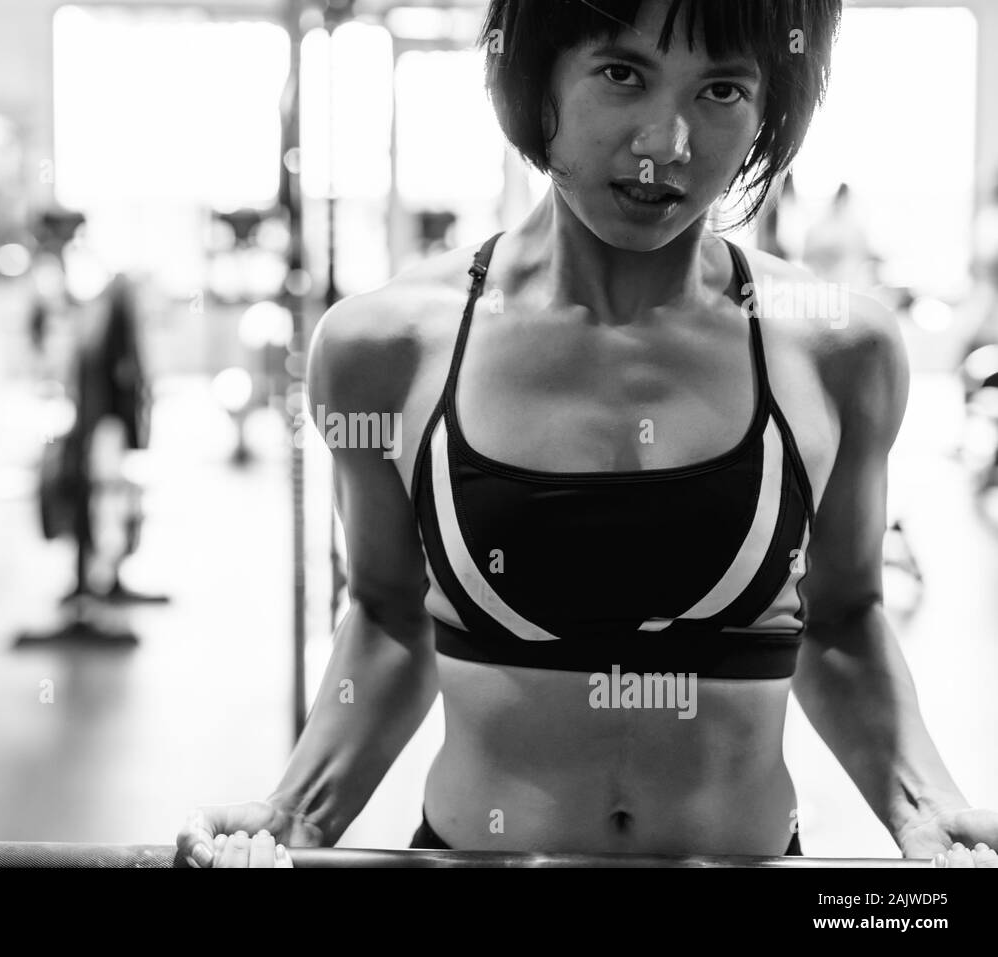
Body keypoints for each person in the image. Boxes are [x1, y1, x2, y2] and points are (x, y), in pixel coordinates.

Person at [178, 0, 998, 868]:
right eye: (622, 74)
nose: (667, 144)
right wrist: (293, 814)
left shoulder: (836, 350)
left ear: (770, 112)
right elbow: (388, 618)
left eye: (722, 90)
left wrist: (926, 804)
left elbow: (841, 621)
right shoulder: (384, 350)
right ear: (536, 81)